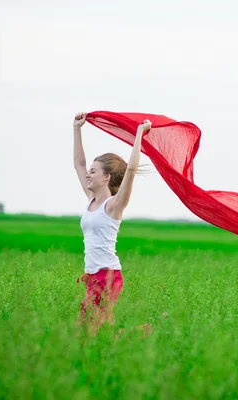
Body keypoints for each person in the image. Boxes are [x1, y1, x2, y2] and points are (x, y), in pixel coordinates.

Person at [73, 112, 151, 326]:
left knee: (86, 326)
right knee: (101, 329)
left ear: (106, 177)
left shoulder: (114, 206)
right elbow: (79, 165)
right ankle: (139, 336)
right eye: (90, 171)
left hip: (107, 276)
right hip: (92, 276)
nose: (88, 174)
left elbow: (132, 170)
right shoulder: (91, 199)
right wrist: (77, 129)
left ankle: (142, 333)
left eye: (93, 171)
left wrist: (139, 134)